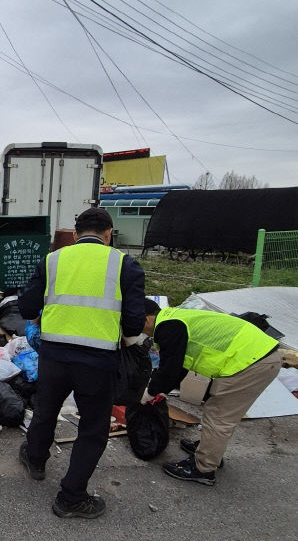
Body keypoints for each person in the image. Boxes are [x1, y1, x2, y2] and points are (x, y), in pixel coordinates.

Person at [18, 207, 146, 519]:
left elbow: (27, 307)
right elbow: (133, 325)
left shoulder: (53, 260)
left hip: (53, 356)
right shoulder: (125, 265)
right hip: (98, 362)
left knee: (45, 411)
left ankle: (35, 460)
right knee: (92, 428)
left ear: (76, 235)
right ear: (109, 233)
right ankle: (71, 497)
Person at [141, 299, 281, 485]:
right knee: (216, 409)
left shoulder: (168, 327)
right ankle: (209, 449)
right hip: (255, 356)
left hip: (251, 362)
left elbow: (170, 370)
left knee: (219, 417)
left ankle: (203, 468)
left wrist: (149, 393)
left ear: (147, 320)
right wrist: (161, 391)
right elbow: (179, 365)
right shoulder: (173, 319)